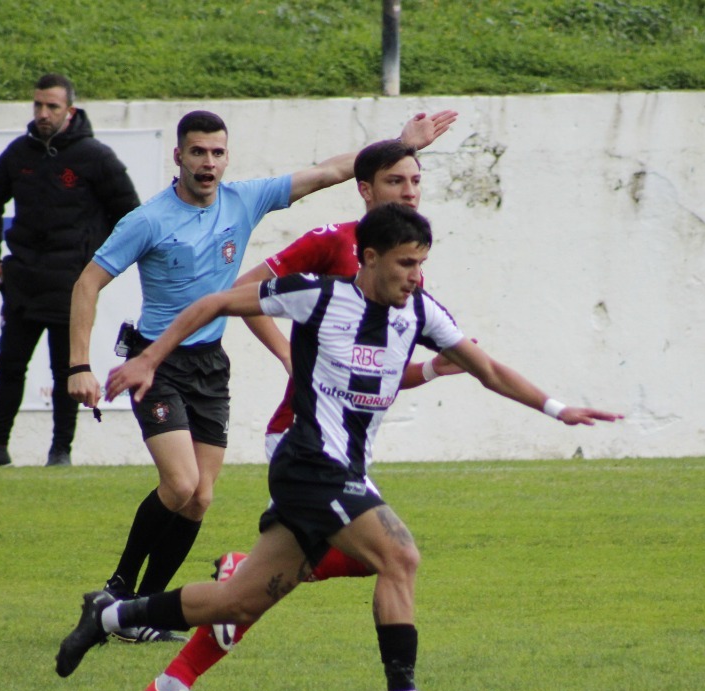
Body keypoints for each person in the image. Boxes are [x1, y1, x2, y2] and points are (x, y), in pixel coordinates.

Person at [55, 203, 624, 691]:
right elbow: (213, 304)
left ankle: (109, 615)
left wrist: (557, 409)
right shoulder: (317, 296)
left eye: (422, 263)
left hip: (342, 469)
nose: (415, 276)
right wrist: (150, 358)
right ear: (368, 257)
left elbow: (488, 369)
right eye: (406, 263)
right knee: (400, 556)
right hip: (308, 463)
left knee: (237, 602)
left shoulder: (421, 313)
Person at [64, 108, 457, 643]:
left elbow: (327, 172)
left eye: (217, 152)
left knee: (200, 497)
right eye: (197, 152)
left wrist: (400, 143)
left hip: (209, 364)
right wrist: (79, 365)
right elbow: (87, 282)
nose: (208, 162)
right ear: (177, 156)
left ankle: (140, 611)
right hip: (155, 360)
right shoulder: (148, 220)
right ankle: (116, 588)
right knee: (179, 484)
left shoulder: (243, 199)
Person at [137, 137, 467, 691]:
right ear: (365, 190)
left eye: (415, 182)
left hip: (346, 442)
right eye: (395, 182)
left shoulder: (405, 261)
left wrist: (432, 368)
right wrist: (292, 358)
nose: (409, 192)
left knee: (324, 569)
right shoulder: (331, 244)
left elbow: (379, 372)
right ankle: (174, 666)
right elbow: (244, 294)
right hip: (303, 437)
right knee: (372, 560)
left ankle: (175, 669)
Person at [0, 72, 140, 469]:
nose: (43, 114)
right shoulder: (19, 153)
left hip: (71, 283)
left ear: (70, 110)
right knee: (10, 365)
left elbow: (131, 215)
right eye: (38, 105)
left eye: (52, 107)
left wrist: (99, 265)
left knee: (68, 369)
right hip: (23, 279)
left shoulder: (95, 156)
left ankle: (60, 451)